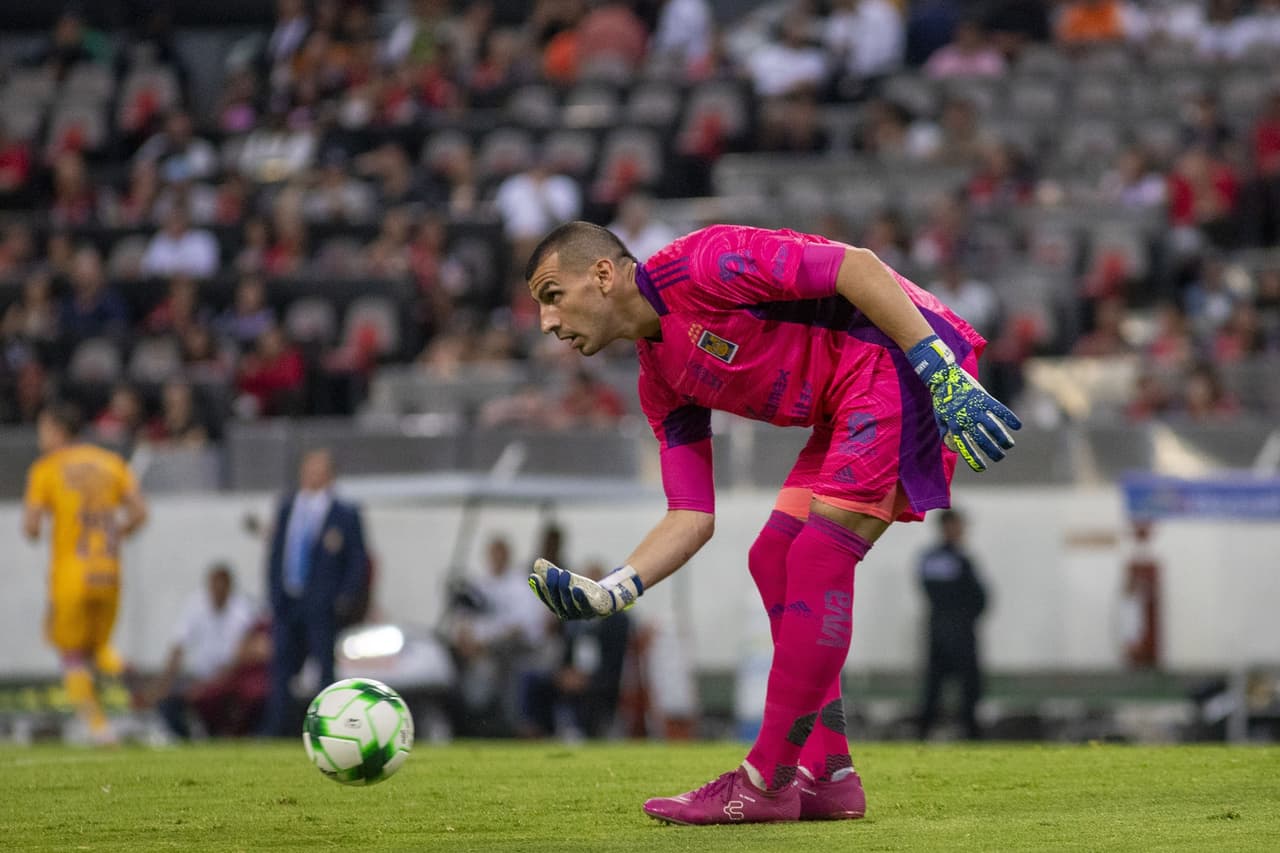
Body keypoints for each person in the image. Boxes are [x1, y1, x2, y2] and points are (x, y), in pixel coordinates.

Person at [522, 221, 1020, 824]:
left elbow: (857, 266)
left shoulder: (702, 264)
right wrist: (613, 590)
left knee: (816, 558)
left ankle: (765, 780)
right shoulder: (660, 379)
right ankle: (830, 774)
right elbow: (690, 516)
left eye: (553, 296)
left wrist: (939, 370)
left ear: (603, 274)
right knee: (773, 556)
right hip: (846, 401)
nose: (548, 322)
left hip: (901, 358)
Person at [22, 402, 149, 744]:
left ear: (57, 430)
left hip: (71, 575)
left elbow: (31, 527)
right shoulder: (112, 463)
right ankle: (129, 679)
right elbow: (139, 512)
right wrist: (116, 535)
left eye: (43, 428)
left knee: (70, 653)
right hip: (108, 572)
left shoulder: (46, 469)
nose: (40, 436)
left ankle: (99, 729)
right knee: (99, 649)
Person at [261, 449, 369, 736]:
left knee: (324, 665)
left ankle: (328, 726)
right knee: (281, 665)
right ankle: (278, 727)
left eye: (317, 469)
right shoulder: (287, 508)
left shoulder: (343, 513)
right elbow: (276, 554)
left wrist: (345, 594)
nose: (310, 474)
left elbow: (357, 558)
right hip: (288, 599)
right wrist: (274, 593)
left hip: (322, 602)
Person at [153, 563, 261, 738]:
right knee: (169, 703)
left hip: (230, 680)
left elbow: (245, 653)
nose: (217, 591)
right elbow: (178, 646)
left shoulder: (243, 610)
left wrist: (210, 685)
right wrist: (164, 684)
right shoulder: (195, 605)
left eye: (221, 586)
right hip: (201, 678)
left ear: (229, 587)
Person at [916, 508, 988, 741]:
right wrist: (964, 615)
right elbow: (965, 595)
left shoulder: (956, 558)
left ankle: (968, 732)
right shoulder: (943, 559)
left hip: (957, 629)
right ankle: (927, 733)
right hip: (948, 630)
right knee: (936, 686)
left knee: (968, 686)